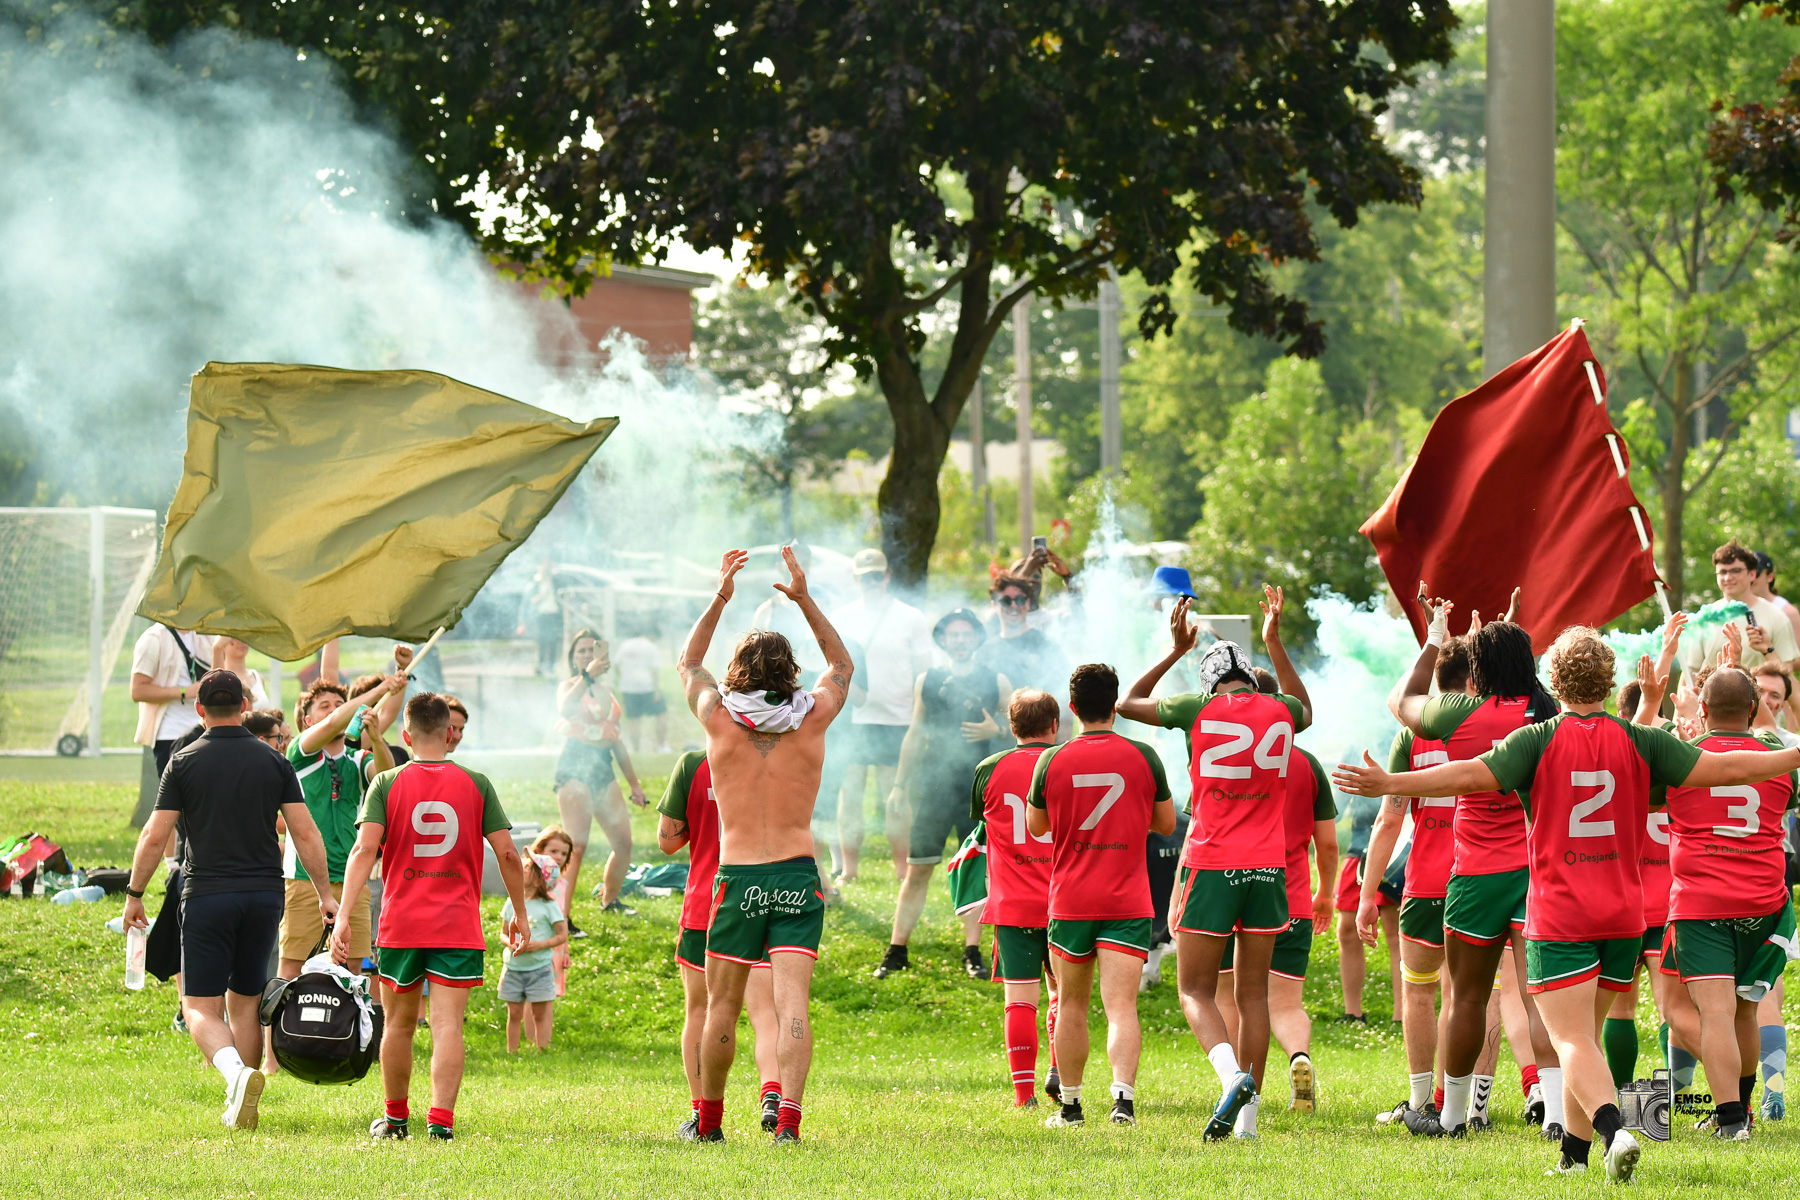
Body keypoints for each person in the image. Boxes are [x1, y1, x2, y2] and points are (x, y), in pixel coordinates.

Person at [1334, 625, 1800, 1180]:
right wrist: (1793, 753)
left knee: (1571, 1039)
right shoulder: (1640, 739)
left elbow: (1470, 775)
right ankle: (1572, 1160)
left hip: (1561, 911)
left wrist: (1392, 782)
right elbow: (1728, 767)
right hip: (1624, 915)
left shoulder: (1538, 739)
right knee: (1588, 1040)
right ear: (1608, 677)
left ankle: (1613, 1131)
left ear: (1552, 678)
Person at [1116, 586, 1311, 1141]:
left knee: (1196, 990)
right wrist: (1274, 642)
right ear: (1251, 679)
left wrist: (1175, 650)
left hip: (1211, 863)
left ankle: (1231, 1080)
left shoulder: (1196, 707)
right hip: (1269, 870)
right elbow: (1307, 708)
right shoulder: (1281, 711)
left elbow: (1128, 703)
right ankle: (1247, 1126)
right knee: (1254, 997)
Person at [677, 546, 853, 1143]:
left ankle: (709, 1123)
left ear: (739, 670)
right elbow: (843, 666)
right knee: (792, 1004)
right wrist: (803, 598)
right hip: (798, 875)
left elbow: (689, 661)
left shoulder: (717, 717)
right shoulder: (813, 718)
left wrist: (720, 597)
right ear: (790, 671)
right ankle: (789, 1126)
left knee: (721, 1005)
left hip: (740, 878)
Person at [120, 669, 338, 1131]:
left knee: (199, 1005)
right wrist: (326, 893)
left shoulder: (183, 761)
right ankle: (242, 1100)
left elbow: (155, 834)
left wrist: (134, 893)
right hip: (263, 895)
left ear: (199, 710)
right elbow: (304, 831)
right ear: (244, 707)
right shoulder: (274, 761)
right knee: (246, 1001)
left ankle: (236, 1076)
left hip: (207, 895)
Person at [1384, 599, 1561, 1140]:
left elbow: (1402, 700)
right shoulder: (1548, 714)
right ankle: (1556, 1116)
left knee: (1465, 997)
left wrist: (1436, 638)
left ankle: (1452, 1117)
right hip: (1536, 871)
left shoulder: (1457, 713)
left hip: (1476, 873)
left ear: (1479, 670)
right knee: (1542, 996)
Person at [333, 692, 530, 1142]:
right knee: (446, 1026)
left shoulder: (386, 783)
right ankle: (440, 1124)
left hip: (401, 924)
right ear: (448, 733)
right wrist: (519, 912)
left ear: (405, 735)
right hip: (457, 927)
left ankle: (396, 1121)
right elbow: (507, 854)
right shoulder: (476, 783)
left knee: (399, 1023)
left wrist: (344, 915)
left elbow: (364, 849)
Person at [1027, 664, 1175, 1128]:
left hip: (1071, 899)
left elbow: (1036, 827)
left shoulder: (1051, 759)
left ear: (1071, 708)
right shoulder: (1144, 756)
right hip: (1128, 901)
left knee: (1071, 1004)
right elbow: (1167, 824)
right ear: (1114, 705)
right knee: (1121, 1007)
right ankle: (1122, 1104)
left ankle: (1070, 1108)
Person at [1658, 665, 1798, 1139]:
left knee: (1714, 1014)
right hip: (1764, 901)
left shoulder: (1683, 758)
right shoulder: (1778, 758)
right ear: (1755, 709)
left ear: (1701, 710)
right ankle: (1740, 1111)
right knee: (1744, 1010)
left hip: (1704, 903)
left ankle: (1732, 1121)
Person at [1359, 638, 1467, 1122]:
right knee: (1475, 994)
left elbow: (1387, 822)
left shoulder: (1411, 737)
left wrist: (1366, 895)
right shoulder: (1489, 728)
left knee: (1420, 991)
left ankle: (1423, 1102)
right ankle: (1473, 1104)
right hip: (1480, 877)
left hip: (1425, 880)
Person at [876, 608, 1013, 980]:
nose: (960, 640)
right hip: (933, 786)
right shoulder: (928, 679)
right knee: (918, 868)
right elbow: (915, 731)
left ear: (977, 638)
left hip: (978, 790)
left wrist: (995, 729)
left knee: (973, 868)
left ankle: (973, 952)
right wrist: (899, 787)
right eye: (953, 634)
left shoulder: (995, 679)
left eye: (967, 634)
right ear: (943, 640)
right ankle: (896, 950)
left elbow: (1022, 729)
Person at [657, 748, 785, 1136]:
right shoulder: (782, 753)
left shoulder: (694, 763)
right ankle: (773, 1096)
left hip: (707, 902)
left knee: (702, 1010)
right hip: (763, 898)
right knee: (766, 1013)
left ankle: (702, 1115)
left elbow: (667, 842)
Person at [275, 673, 405, 992]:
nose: (334, 710)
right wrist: (381, 689)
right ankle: (274, 1042)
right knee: (291, 970)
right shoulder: (300, 752)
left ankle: (345, 1040)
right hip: (305, 878)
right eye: (324, 706)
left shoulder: (359, 758)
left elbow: (387, 776)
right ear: (308, 720)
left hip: (351, 883)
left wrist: (375, 736)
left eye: (339, 704)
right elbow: (335, 723)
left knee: (351, 972)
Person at [971, 688, 1061, 1107]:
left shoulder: (989, 768)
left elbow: (984, 823)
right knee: (1064, 995)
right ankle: (1061, 1074)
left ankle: (1024, 1096)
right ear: (1055, 725)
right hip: (1064, 900)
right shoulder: (1065, 763)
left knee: (1019, 998)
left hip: (1012, 902)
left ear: (1011, 727)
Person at [830, 548, 932, 884]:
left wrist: (923, 716)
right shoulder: (841, 617)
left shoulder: (911, 617)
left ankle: (903, 869)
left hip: (898, 717)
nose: (872, 582)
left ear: (887, 576)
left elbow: (924, 672)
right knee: (851, 794)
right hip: (854, 719)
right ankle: (849, 869)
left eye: (878, 575)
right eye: (865, 577)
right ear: (855, 579)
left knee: (896, 795)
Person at [552, 630, 648, 917]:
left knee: (623, 843)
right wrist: (587, 677)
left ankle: (610, 901)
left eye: (591, 650)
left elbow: (616, 741)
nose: (585, 655)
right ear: (572, 658)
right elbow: (565, 708)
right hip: (575, 767)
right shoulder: (570, 685)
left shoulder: (608, 691)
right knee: (576, 846)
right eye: (579, 651)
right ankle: (561, 916)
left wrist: (634, 784)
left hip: (603, 766)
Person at [1680, 540, 1799, 677]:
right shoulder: (1705, 617)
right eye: (1722, 572)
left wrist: (1767, 650)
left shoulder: (1777, 616)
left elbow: (1787, 676)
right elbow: (1689, 674)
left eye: (1736, 571)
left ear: (1752, 574)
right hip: (1711, 697)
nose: (1728, 577)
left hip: (1758, 697)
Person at [1336, 786, 1398, 1022]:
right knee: (1347, 930)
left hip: (1398, 848)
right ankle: (1353, 1013)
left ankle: (1401, 1015)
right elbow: (1337, 807)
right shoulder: (1353, 750)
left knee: (1397, 933)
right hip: (1359, 849)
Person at [499, 854, 568, 1052]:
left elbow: (562, 935)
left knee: (540, 1014)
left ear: (540, 878)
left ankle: (542, 1050)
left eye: (528, 868)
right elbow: (503, 934)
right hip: (513, 969)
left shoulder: (549, 906)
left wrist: (540, 945)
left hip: (539, 970)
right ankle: (512, 1051)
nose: (522, 870)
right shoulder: (511, 902)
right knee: (513, 1013)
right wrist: (511, 943)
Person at [130, 624, 215, 776]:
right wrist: (184, 692)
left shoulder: (205, 633)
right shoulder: (153, 638)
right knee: (177, 795)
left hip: (206, 731)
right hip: (171, 734)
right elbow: (137, 691)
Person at [978, 573, 1070, 705]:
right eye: (1006, 601)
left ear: (1027, 603)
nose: (1013, 605)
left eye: (1020, 600)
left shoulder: (1046, 645)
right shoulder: (985, 652)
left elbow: (1064, 695)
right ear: (994, 605)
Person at [614, 625, 670, 753]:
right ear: (653, 636)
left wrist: (624, 679)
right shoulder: (652, 647)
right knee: (662, 715)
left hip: (628, 688)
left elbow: (617, 665)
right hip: (648, 687)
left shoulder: (625, 645)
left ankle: (636, 749)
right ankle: (661, 746)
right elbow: (654, 670)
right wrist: (657, 690)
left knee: (634, 719)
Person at [1751, 550, 1800, 650]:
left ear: (1770, 577)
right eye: (1747, 573)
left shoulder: (1788, 611)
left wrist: (1767, 652)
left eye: (1756, 573)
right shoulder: (1734, 608)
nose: (1751, 578)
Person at [525, 557, 563, 675]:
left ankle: (551, 666)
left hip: (553, 614)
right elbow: (531, 600)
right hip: (541, 614)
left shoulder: (555, 582)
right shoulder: (536, 583)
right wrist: (540, 596)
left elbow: (561, 596)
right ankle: (541, 666)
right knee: (542, 640)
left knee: (552, 640)